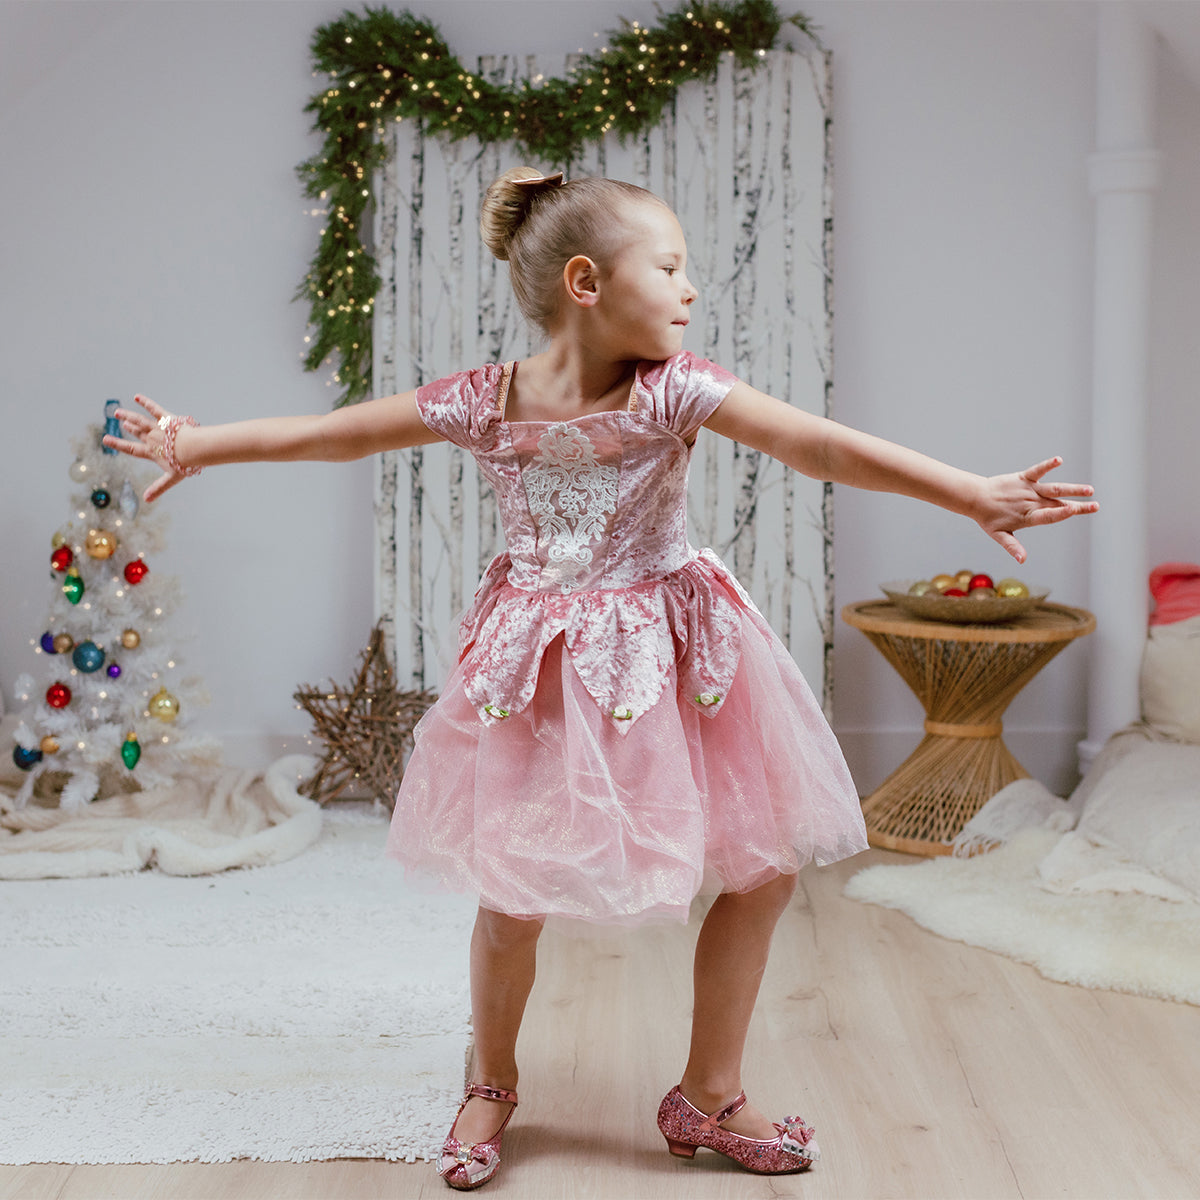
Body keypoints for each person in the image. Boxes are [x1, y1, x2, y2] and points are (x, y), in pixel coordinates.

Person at [105, 167, 1097, 1190]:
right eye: (668, 266)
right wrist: (199, 443)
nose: (689, 289)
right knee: (512, 887)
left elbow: (818, 447)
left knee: (761, 869)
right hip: (539, 667)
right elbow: (331, 435)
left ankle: (708, 1092)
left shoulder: (676, 391)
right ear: (587, 281)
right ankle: (491, 1080)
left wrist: (967, 491)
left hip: (676, 655)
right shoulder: (485, 402)